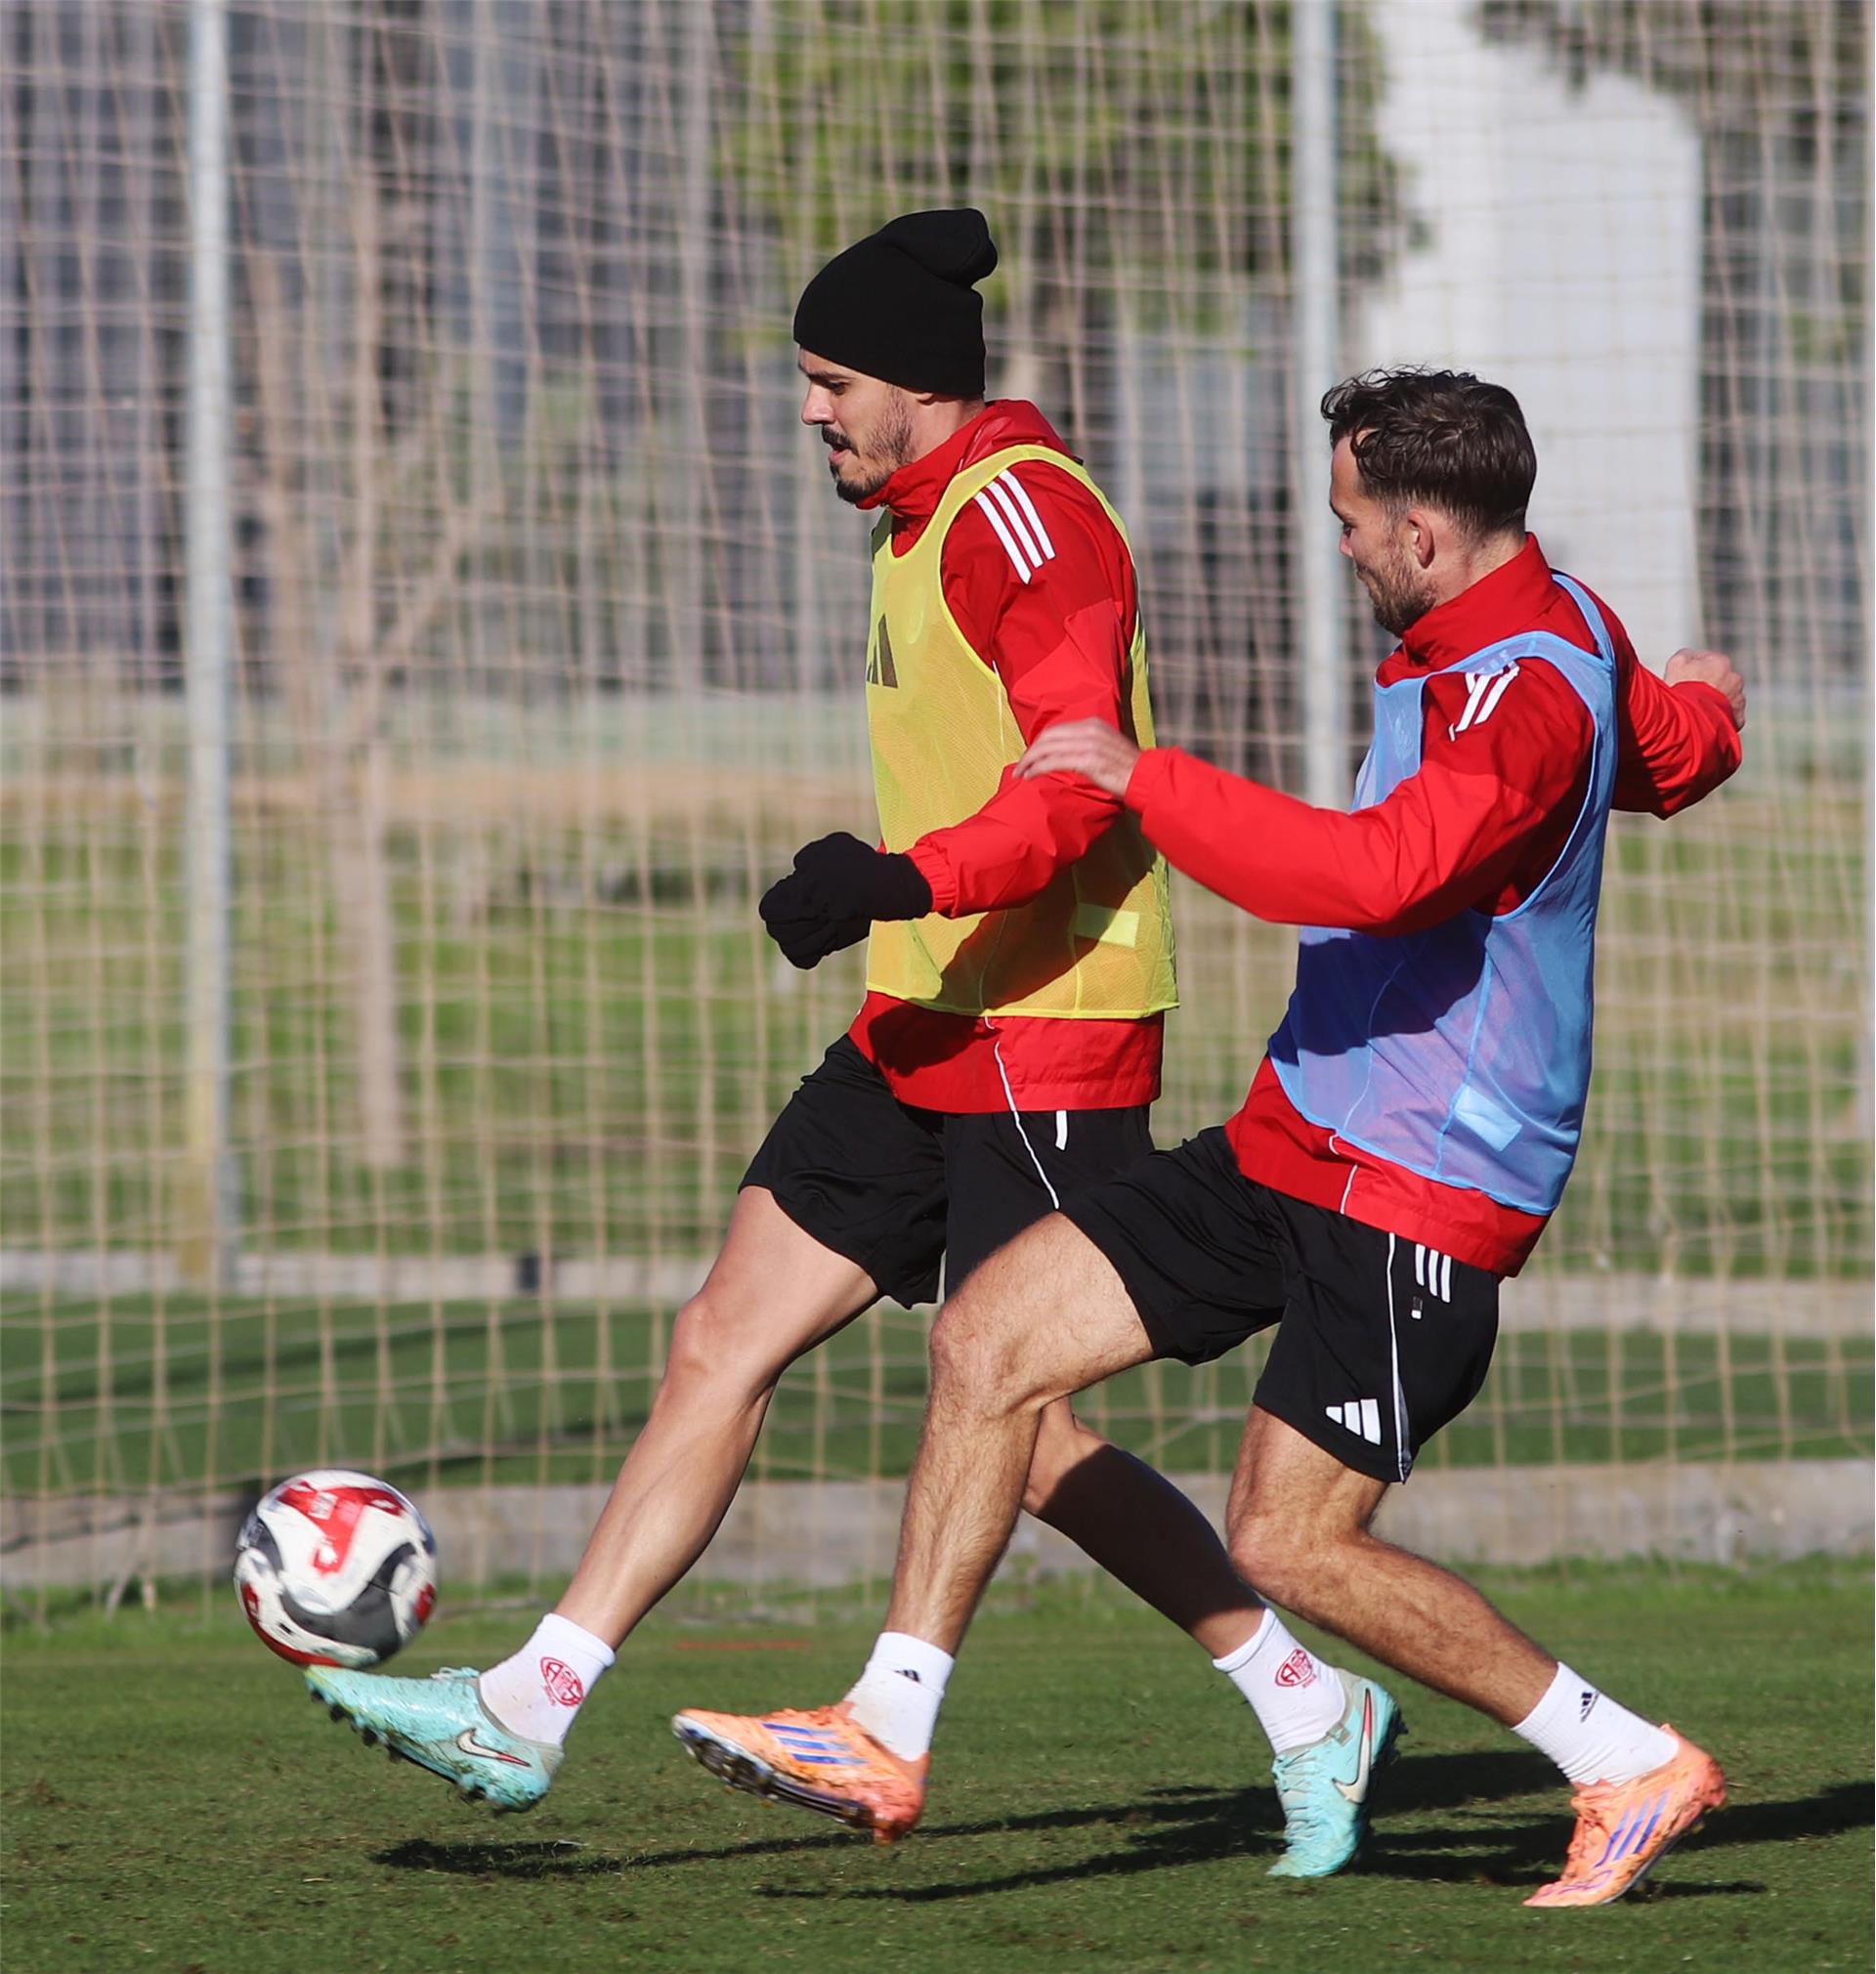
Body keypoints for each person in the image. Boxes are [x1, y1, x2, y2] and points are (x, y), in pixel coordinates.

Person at [305, 211, 1393, 1877]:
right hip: (924, 1013)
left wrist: (896, 876)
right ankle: (525, 1706)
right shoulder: (912, 514)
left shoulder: (1027, 521)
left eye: (832, 381)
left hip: (1050, 1025)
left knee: (1032, 1436)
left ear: (918, 381)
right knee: (719, 1336)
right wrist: (898, 905)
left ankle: (1304, 1700)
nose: (810, 410)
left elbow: (1075, 788)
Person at [672, 367, 1748, 1910]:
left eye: (1353, 523)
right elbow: (1669, 755)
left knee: (1293, 1546)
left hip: (1420, 1189)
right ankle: (884, 1731)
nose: (1341, 546)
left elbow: (1378, 874)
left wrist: (1146, 783)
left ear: (1427, 536)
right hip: (1295, 1134)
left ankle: (1623, 1758)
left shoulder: (1519, 688)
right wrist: (1707, 706)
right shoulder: (1556, 622)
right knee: (988, 1340)